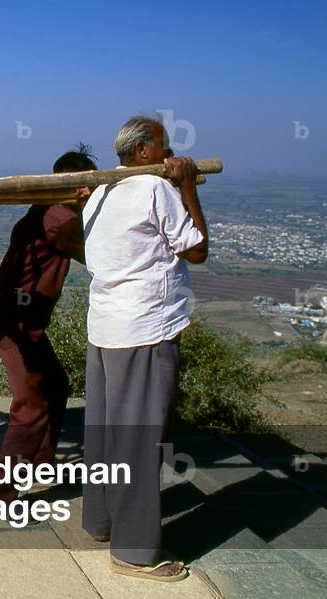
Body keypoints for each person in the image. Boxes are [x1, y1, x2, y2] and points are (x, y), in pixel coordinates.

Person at [81, 116, 208, 582]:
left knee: (106, 431)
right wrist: (188, 187)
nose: (171, 155)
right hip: (145, 330)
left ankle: (101, 520)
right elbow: (196, 249)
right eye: (166, 147)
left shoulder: (98, 193)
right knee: (139, 439)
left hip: (105, 327)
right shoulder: (156, 190)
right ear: (144, 154)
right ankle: (134, 552)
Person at [0, 145, 98, 504]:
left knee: (56, 385)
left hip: (20, 318)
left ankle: (41, 461)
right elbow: (98, 254)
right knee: (32, 404)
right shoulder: (61, 219)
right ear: (78, 186)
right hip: (16, 321)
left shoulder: (45, 209)